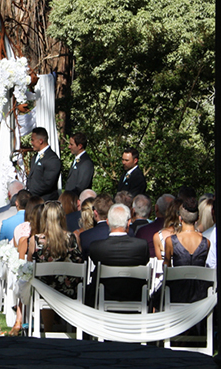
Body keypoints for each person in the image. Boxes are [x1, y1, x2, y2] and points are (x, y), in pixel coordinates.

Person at [28, 201, 84, 333]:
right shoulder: (72, 238)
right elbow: (79, 261)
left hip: (45, 291)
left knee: (44, 283)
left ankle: (48, 329)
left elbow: (29, 264)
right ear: (62, 217)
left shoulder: (35, 240)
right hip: (69, 290)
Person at [88, 203, 148, 303]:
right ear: (129, 222)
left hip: (104, 298)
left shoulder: (96, 248)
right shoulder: (141, 246)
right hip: (135, 298)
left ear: (107, 222)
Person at [163, 199, 211, 303]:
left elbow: (166, 267)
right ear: (197, 218)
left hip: (177, 292)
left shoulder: (170, 241)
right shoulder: (206, 243)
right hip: (201, 294)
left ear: (180, 218)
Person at [26, 127, 61, 201]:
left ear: (41, 141)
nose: (31, 143)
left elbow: (48, 184)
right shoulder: (35, 157)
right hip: (34, 201)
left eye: (33, 140)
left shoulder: (52, 159)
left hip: (46, 202)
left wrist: (30, 193)